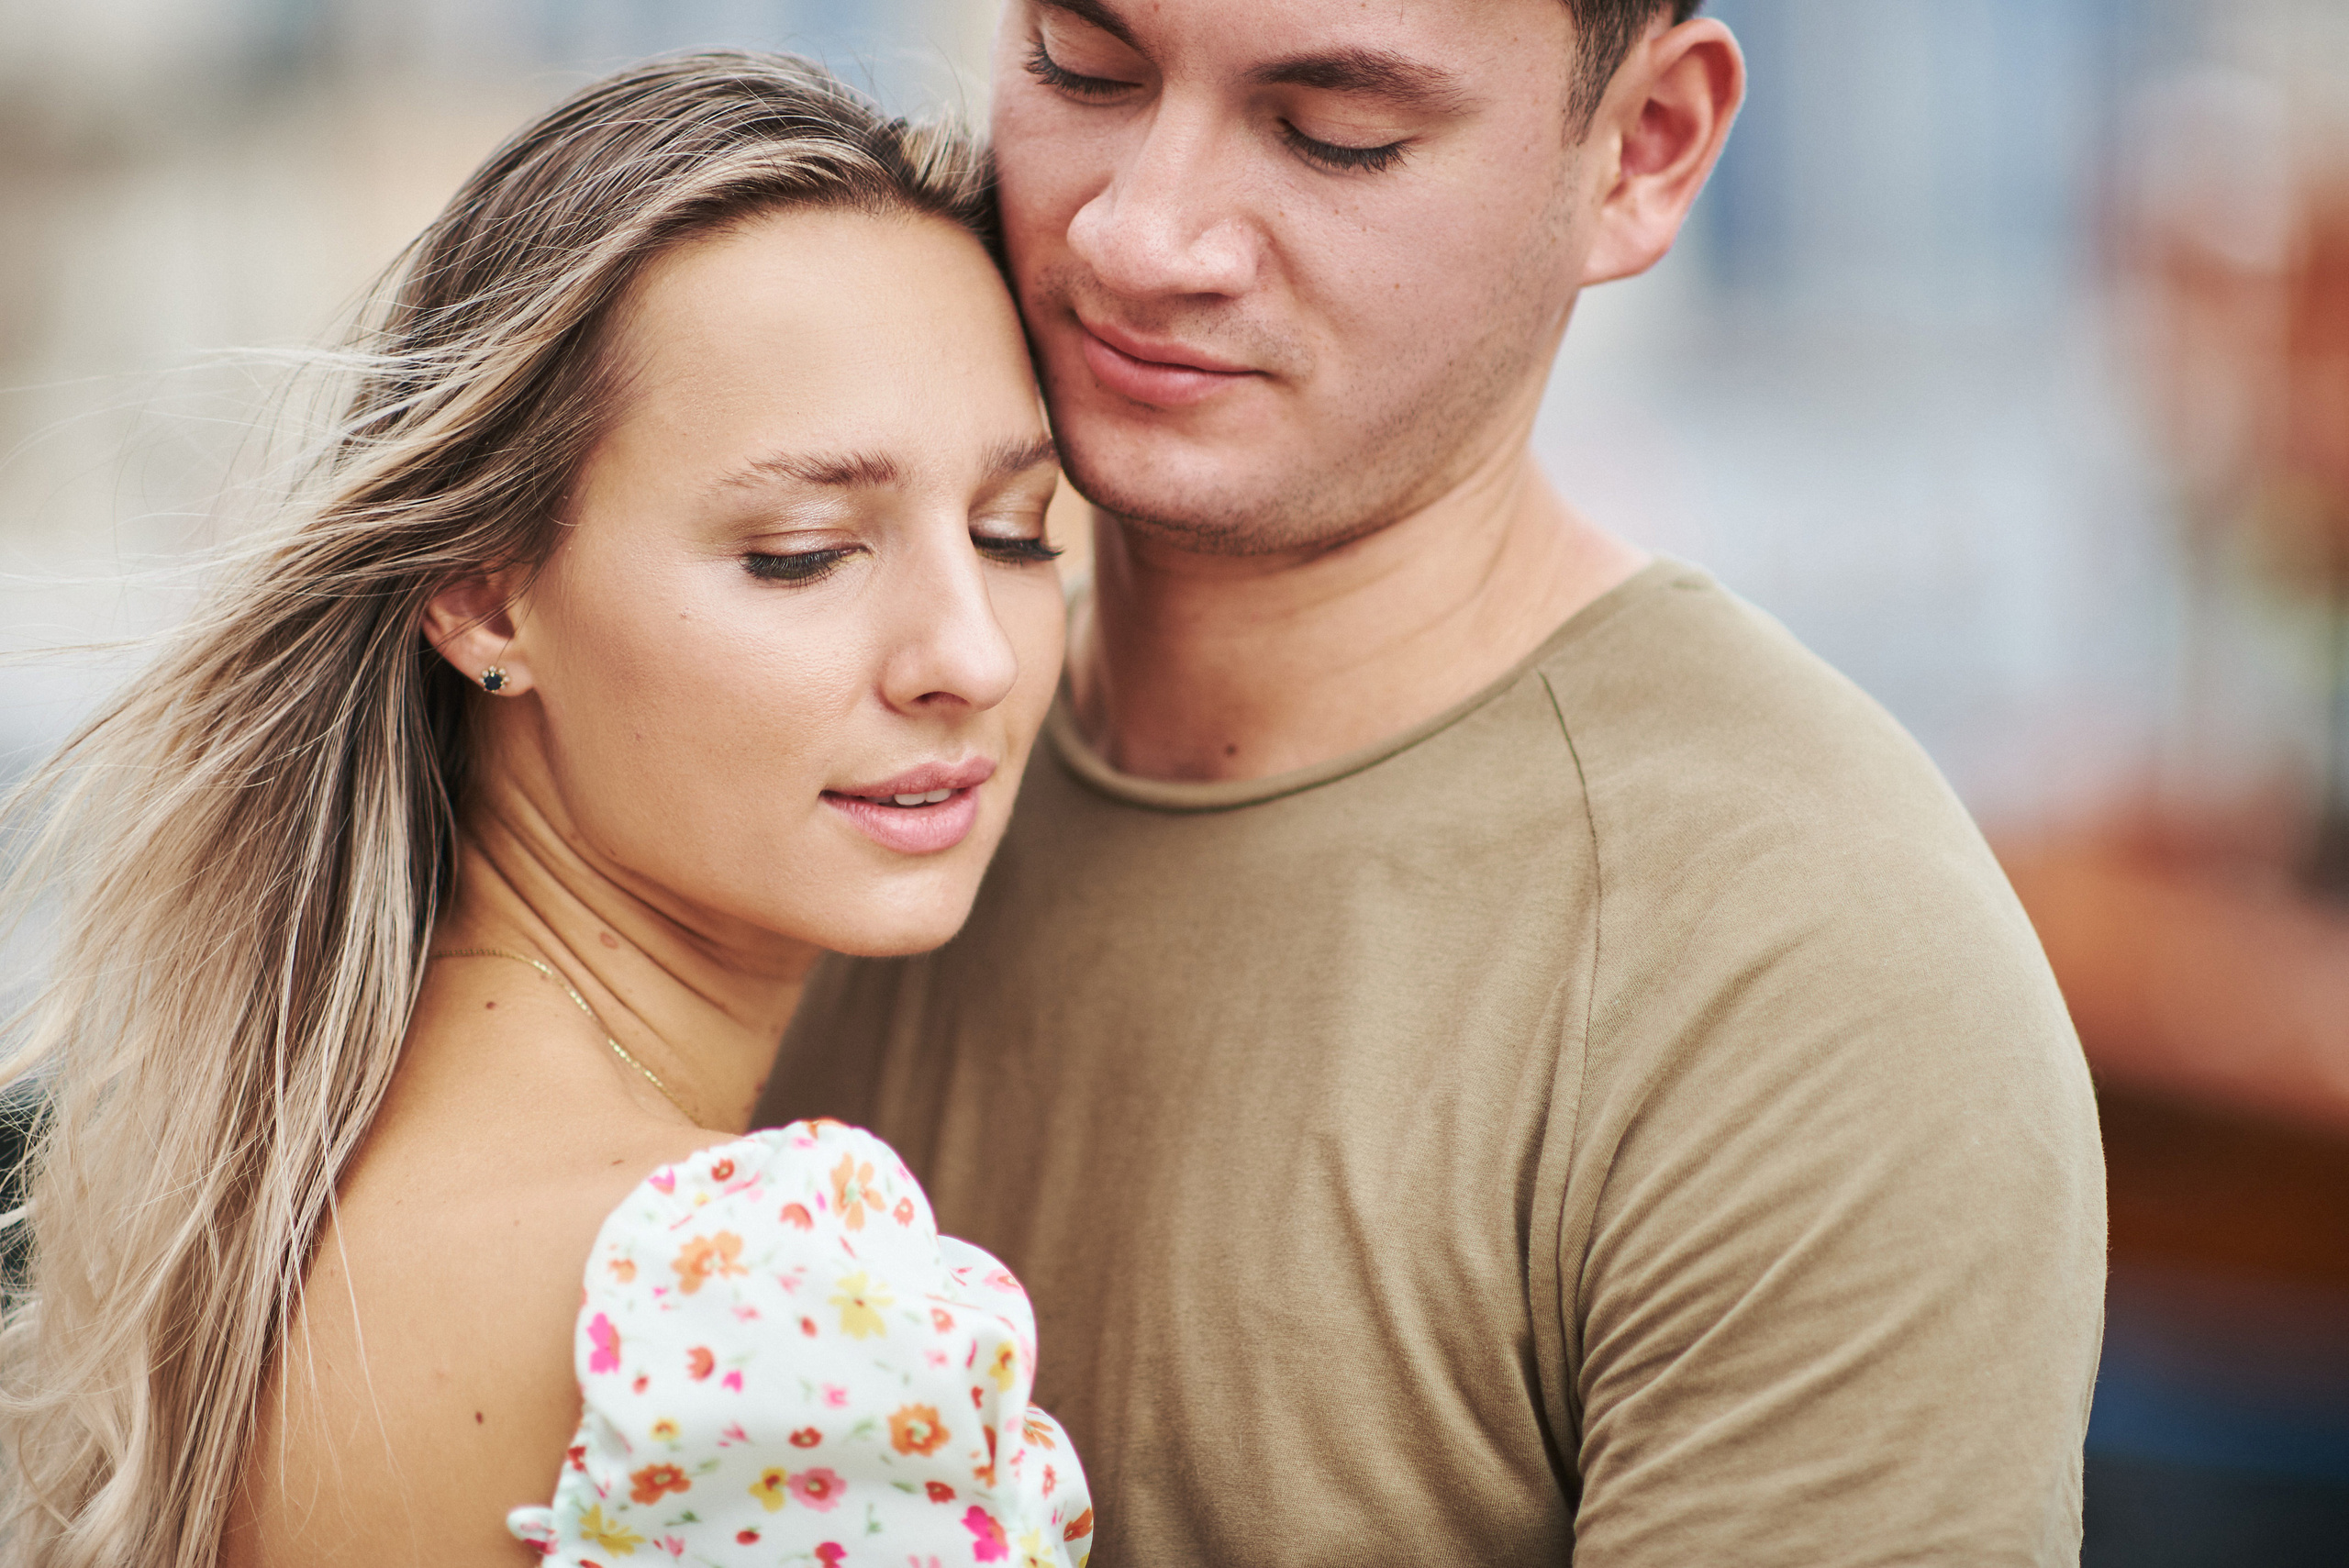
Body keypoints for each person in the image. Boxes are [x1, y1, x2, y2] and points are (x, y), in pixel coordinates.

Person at [757, 1, 2107, 1563]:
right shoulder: (772, 768)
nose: (1141, 235)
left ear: (1645, 151)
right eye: (1082, 64)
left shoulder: (1810, 980)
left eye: (1339, 132)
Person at [0, 55, 1091, 1568]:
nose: (969, 654)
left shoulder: (273, 1180)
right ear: (483, 592)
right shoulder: (760, 1309)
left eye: (1013, 530)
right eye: (801, 552)